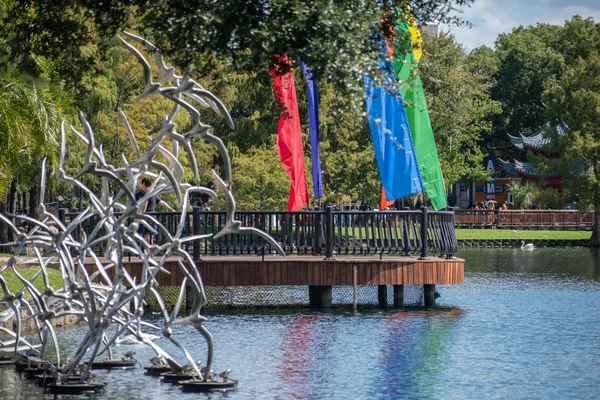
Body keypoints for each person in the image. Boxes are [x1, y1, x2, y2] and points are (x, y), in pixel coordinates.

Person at [135, 177, 176, 245]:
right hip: (153, 216)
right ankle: (151, 252)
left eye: (141, 184)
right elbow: (161, 202)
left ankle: (148, 252)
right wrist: (171, 209)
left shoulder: (146, 193)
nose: (140, 186)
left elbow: (145, 203)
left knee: (146, 236)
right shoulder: (153, 193)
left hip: (146, 216)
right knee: (151, 236)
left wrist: (141, 215)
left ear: (144, 184)